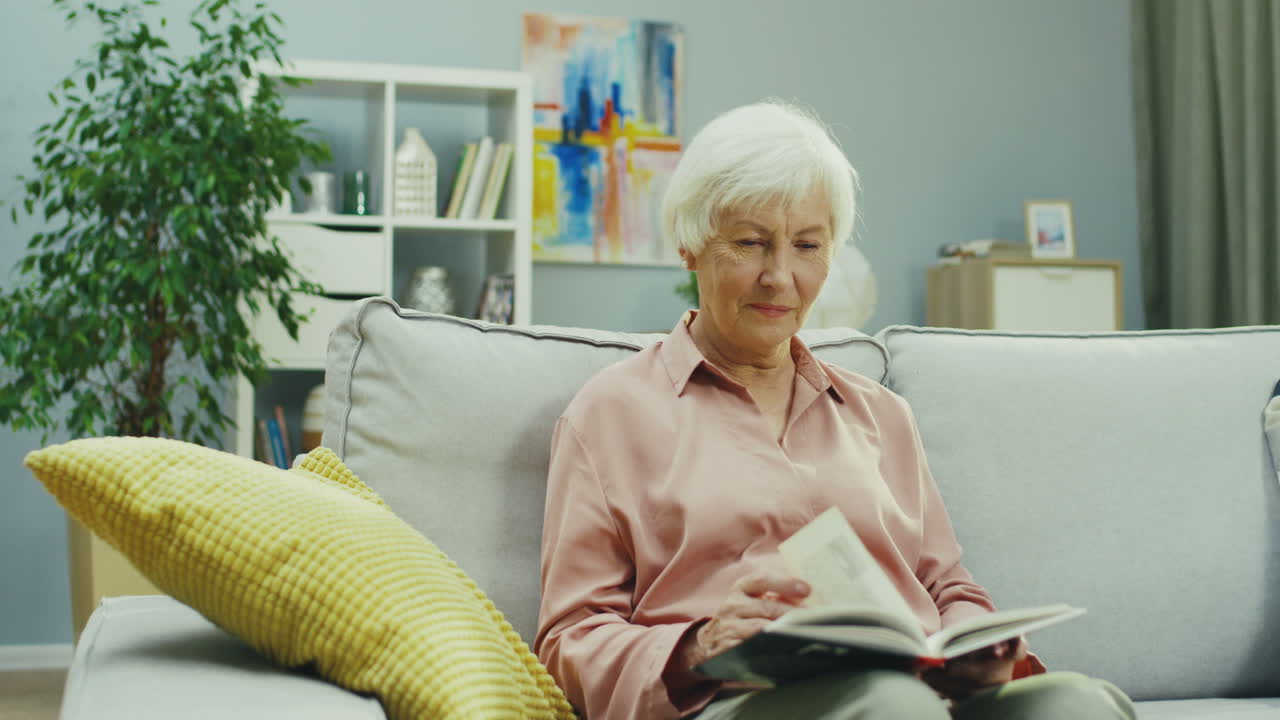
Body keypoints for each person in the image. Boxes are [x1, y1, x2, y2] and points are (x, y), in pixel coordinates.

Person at [534, 100, 1135, 720]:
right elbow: (569, 637)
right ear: (692, 245)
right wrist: (698, 647)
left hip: (913, 694)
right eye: (750, 243)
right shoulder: (611, 413)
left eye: (807, 245)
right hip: (738, 703)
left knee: (1077, 703)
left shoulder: (880, 415)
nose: (781, 277)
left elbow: (947, 586)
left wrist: (980, 642)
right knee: (890, 705)